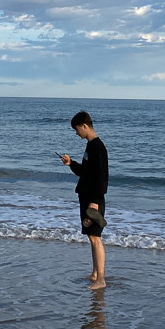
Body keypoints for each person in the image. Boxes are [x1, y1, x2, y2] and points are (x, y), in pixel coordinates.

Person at [60, 110, 108, 289]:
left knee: (96, 237)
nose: (76, 133)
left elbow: (102, 177)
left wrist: (95, 201)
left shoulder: (98, 147)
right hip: (86, 197)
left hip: (93, 200)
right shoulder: (90, 146)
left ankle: (101, 280)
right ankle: (95, 273)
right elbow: (86, 173)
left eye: (77, 129)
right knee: (91, 236)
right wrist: (71, 163)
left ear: (85, 126)